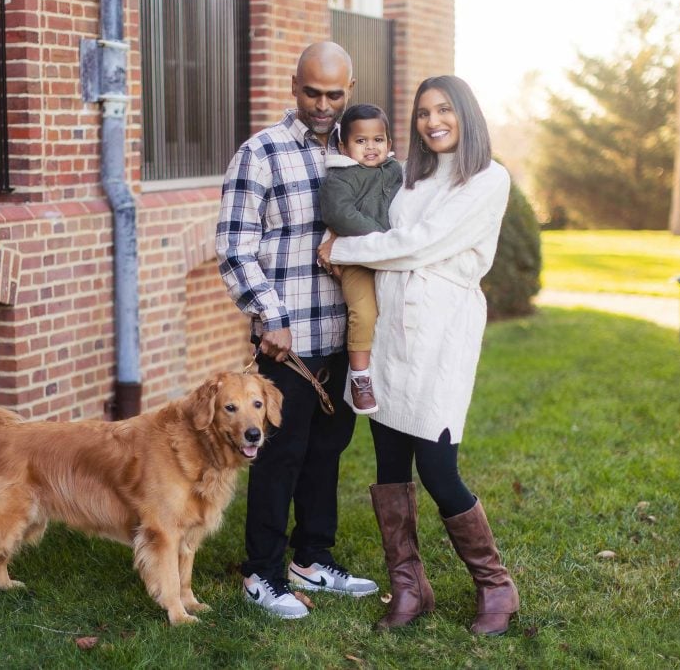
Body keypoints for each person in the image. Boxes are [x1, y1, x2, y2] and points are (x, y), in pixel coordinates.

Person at [317, 75, 520, 635]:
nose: (433, 122)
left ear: (466, 114)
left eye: (444, 110)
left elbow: (419, 243)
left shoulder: (487, 179)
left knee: (437, 466)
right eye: (424, 113)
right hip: (390, 337)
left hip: (440, 335)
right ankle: (408, 588)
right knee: (388, 465)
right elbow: (391, 234)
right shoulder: (410, 179)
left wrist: (345, 249)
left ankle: (496, 586)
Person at [215, 42, 379, 620]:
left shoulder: (358, 153)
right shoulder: (261, 153)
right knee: (278, 457)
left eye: (335, 94)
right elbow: (235, 249)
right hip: (287, 343)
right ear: (293, 86)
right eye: (313, 92)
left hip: (342, 338)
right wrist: (270, 317)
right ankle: (261, 573)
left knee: (326, 454)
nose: (324, 105)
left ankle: (312, 558)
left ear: (349, 90)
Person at [318, 103, 402, 415]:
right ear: (343, 146)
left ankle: (393, 372)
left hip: (392, 259)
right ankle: (360, 377)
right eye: (361, 141)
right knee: (363, 312)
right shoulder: (340, 178)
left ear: (389, 144)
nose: (371, 147)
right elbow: (341, 214)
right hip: (356, 264)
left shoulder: (396, 173)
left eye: (378, 140)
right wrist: (382, 241)